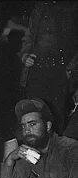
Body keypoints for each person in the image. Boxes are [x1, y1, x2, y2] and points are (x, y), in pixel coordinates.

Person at [19, 1, 78, 135]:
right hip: (36, 71)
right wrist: (25, 55)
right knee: (33, 117)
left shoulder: (72, 7)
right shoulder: (40, 7)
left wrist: (71, 70)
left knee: (56, 121)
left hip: (59, 73)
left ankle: (55, 154)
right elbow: (28, 37)